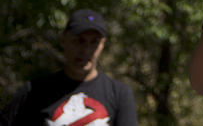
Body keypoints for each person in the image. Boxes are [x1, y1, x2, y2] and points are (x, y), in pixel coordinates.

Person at [0, 9, 138, 126]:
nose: (85, 50)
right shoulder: (35, 91)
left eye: (94, 42)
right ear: (63, 40)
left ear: (103, 44)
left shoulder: (119, 94)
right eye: (79, 41)